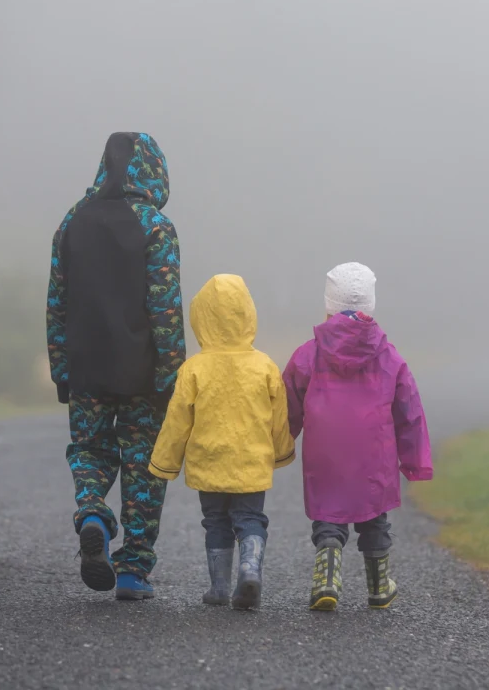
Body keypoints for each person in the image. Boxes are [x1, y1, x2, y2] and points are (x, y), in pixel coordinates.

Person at [46, 131, 185, 601]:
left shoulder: (71, 223)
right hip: (143, 374)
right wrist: (174, 378)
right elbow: (165, 311)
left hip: (85, 364)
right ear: (153, 170)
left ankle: (91, 514)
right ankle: (133, 570)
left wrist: (62, 368)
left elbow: (57, 304)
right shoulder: (155, 228)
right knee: (145, 464)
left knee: (89, 448)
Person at [283, 262, 432, 611]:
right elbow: (409, 411)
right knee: (373, 513)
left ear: (329, 303)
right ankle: (379, 585)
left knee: (328, 512)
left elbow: (288, 400)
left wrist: (281, 441)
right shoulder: (388, 356)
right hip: (373, 451)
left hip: (325, 449)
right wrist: (414, 462)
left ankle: (327, 574)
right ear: (371, 304)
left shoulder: (310, 353)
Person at [148, 273, 296, 611]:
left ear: (202, 318)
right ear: (248, 315)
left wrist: (164, 462)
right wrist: (281, 450)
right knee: (250, 518)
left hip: (209, 461)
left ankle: (219, 587)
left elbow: (177, 421)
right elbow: (279, 416)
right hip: (250, 463)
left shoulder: (195, 369)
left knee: (215, 521)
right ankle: (250, 570)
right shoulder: (264, 366)